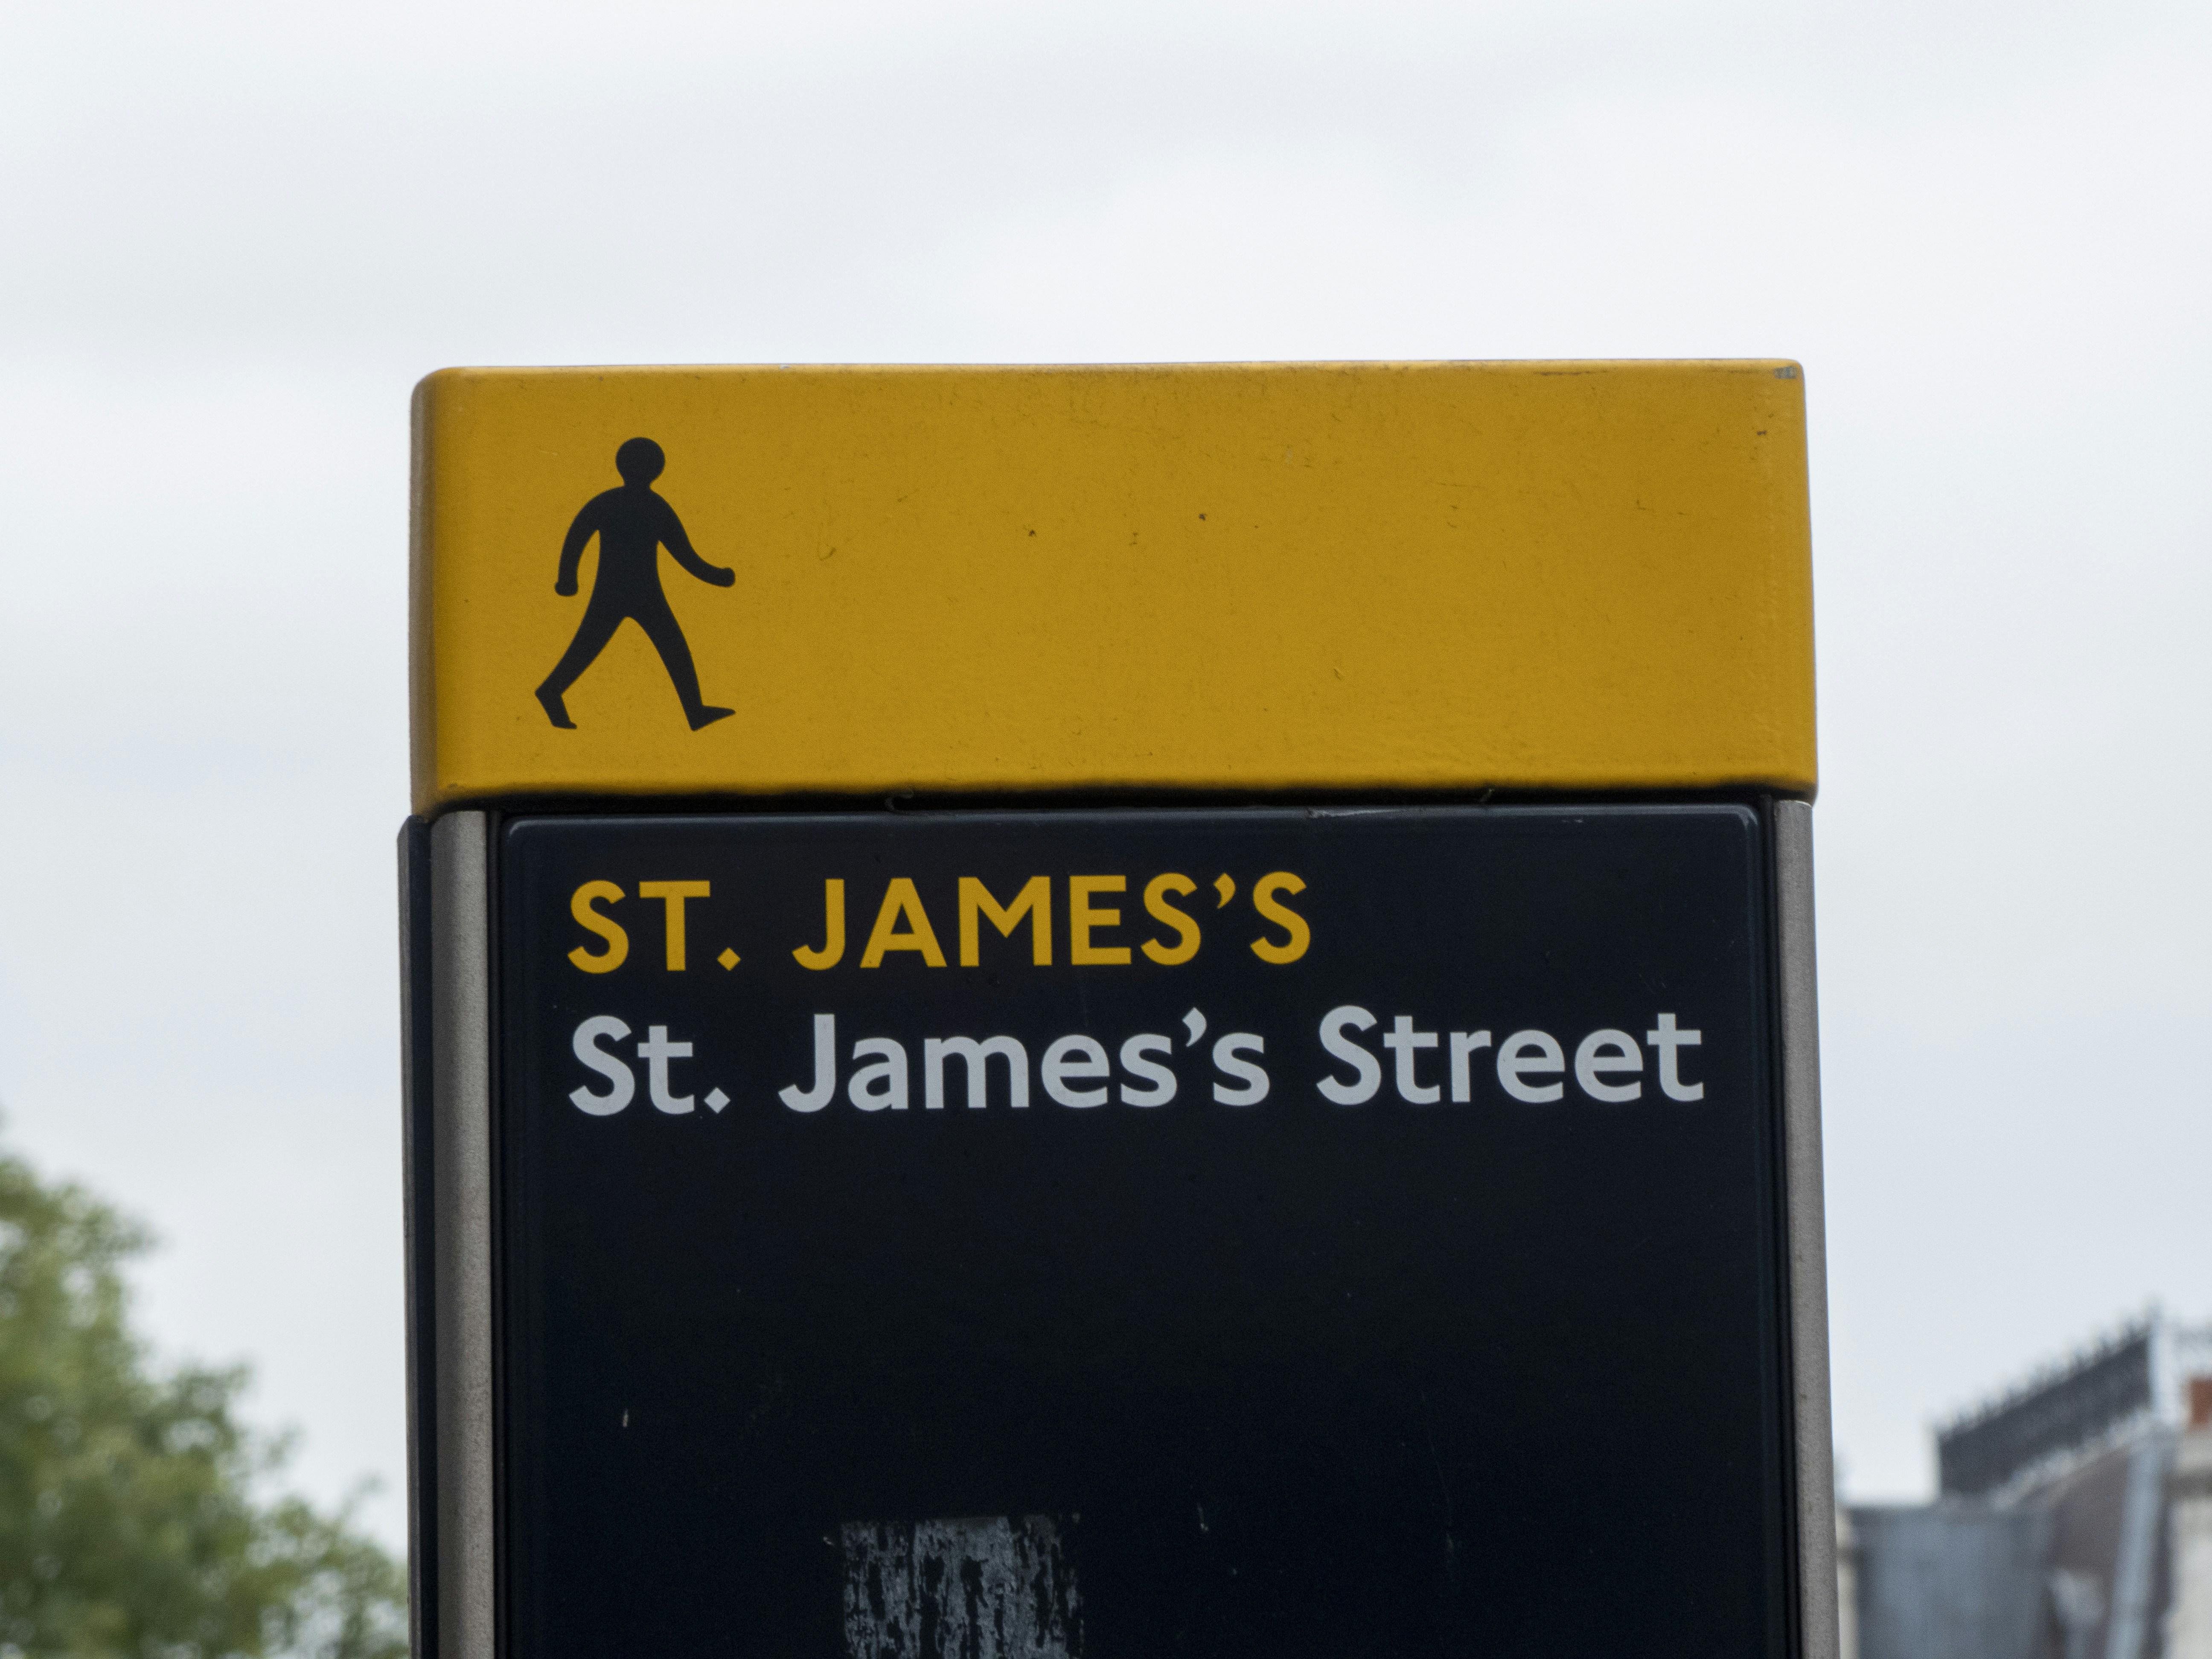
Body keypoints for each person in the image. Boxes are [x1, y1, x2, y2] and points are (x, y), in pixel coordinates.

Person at [535, 437, 735, 731]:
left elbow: (578, 535)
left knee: (669, 647)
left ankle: (695, 711)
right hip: (630, 591)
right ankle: (551, 691)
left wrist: (568, 578)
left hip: (631, 591)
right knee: (598, 646)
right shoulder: (650, 505)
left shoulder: (615, 502)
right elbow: (684, 555)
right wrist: (718, 576)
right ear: (658, 468)